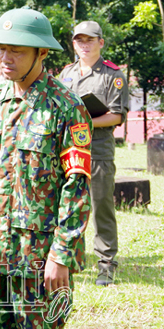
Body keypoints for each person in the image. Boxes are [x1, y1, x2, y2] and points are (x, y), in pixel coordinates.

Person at [0, 8, 92, 329]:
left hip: (38, 261)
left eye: (16, 50)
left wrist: (61, 256)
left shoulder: (66, 108)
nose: (5, 57)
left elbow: (76, 188)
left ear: (42, 52)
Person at [58, 20, 128, 286]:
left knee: (100, 206)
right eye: (79, 40)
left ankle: (106, 263)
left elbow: (116, 116)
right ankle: (70, 257)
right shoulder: (66, 74)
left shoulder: (112, 75)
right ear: (73, 44)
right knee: (67, 204)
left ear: (101, 42)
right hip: (69, 149)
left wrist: (82, 120)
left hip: (97, 149)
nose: (84, 45)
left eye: (89, 40)